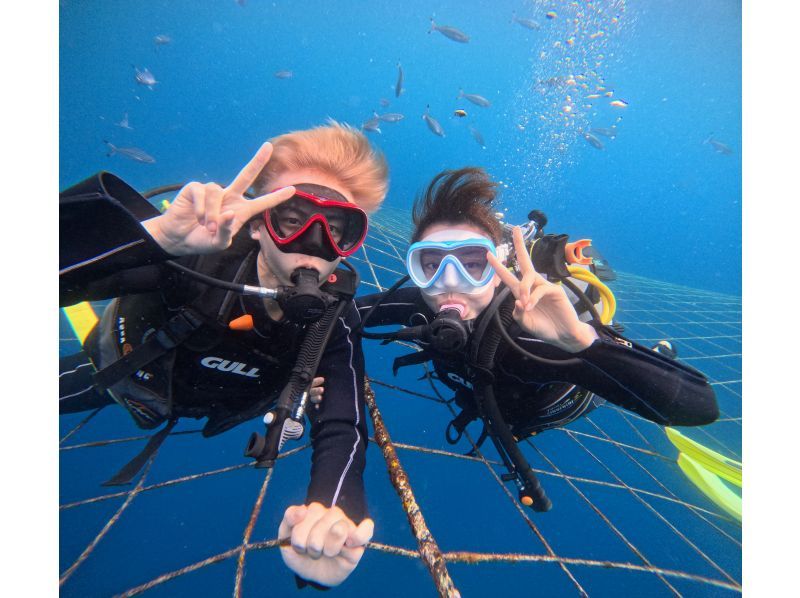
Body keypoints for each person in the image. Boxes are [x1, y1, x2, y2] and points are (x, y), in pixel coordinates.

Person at [59, 122, 388, 588]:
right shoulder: (195, 262)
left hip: (219, 405)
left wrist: (330, 519)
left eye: (335, 229)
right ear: (257, 222)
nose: (313, 246)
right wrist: (154, 239)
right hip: (118, 375)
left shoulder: (334, 318)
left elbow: (343, 424)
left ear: (351, 244)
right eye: (291, 219)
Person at [355, 167, 719, 510]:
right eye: (431, 265)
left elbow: (699, 406)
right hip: (491, 396)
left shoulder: (531, 331)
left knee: (610, 379)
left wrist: (579, 342)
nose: (449, 282)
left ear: (500, 270)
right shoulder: (417, 304)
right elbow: (340, 313)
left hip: (564, 401)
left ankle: (658, 352)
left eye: (473, 264)